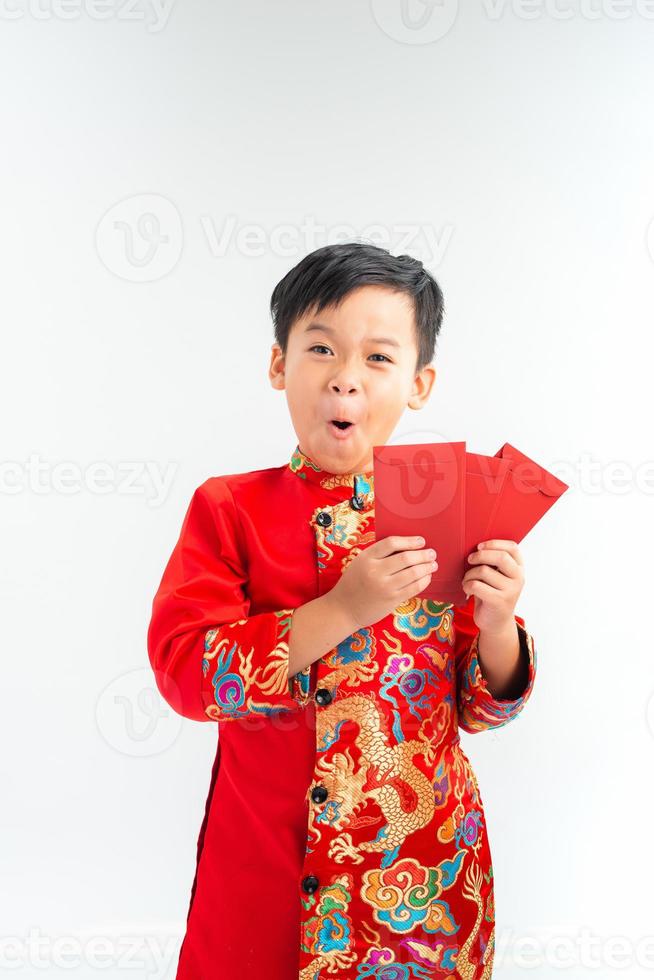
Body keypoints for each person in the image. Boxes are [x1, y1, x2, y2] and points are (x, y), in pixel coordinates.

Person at [146, 242, 537, 979]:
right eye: (321, 348)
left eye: (379, 359)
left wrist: (496, 624)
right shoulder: (230, 508)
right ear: (277, 365)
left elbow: (485, 708)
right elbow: (184, 675)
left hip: (420, 879)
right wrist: (342, 609)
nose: (345, 381)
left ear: (420, 383)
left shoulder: (449, 507)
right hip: (267, 866)